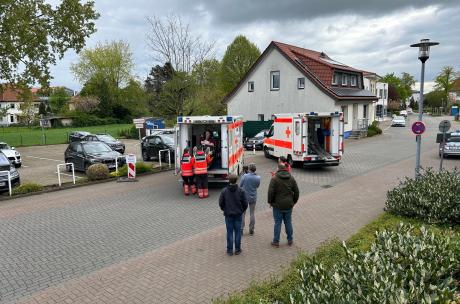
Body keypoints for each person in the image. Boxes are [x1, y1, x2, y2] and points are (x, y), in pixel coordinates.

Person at [267, 163, 299, 247]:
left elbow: (270, 192)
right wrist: (294, 201)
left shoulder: (274, 179)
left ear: (278, 169)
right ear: (285, 169)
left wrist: (270, 202)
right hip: (288, 204)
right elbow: (297, 191)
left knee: (277, 223)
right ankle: (290, 239)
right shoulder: (291, 178)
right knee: (288, 222)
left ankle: (276, 241)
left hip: (277, 205)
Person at [219, 174, 248, 256]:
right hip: (238, 215)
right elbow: (245, 203)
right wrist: (242, 210)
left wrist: (224, 209)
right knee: (238, 232)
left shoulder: (224, 191)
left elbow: (220, 202)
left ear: (229, 180)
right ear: (236, 180)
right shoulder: (241, 191)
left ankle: (229, 250)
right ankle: (238, 249)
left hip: (228, 215)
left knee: (229, 232)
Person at [240, 163, 260, 235]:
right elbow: (257, 186)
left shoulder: (244, 176)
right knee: (252, 213)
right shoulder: (258, 177)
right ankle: (251, 230)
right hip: (253, 197)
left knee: (242, 214)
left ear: (249, 169)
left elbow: (240, 185)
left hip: (244, 197)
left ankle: (241, 229)